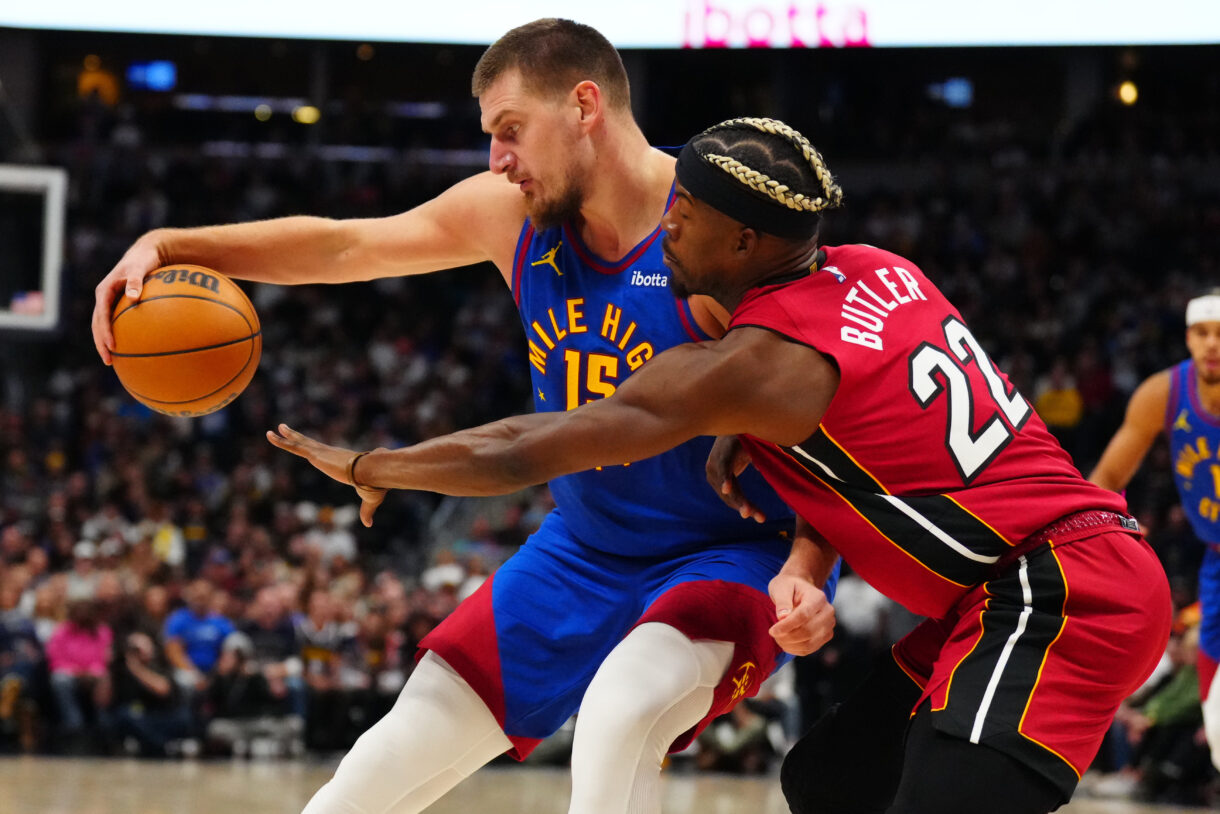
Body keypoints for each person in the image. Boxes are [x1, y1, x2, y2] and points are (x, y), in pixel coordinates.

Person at [268, 116, 1173, 814]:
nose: (667, 229)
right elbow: (886, 452)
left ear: (744, 244)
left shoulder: (760, 367)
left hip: (1060, 590)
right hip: (1000, 586)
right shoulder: (879, 268)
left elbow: (529, 444)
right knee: (828, 782)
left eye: (687, 217)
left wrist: (381, 464)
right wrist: (803, 541)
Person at [92, 19, 838, 814]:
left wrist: (808, 567)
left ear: (584, 105)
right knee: (371, 773)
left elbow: (832, 419)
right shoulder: (512, 215)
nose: (496, 159)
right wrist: (172, 246)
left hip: (731, 552)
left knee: (620, 714)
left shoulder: (714, 228)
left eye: (510, 130)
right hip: (583, 550)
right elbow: (348, 248)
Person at [1088, 289, 1220, 771]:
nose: (1212, 345)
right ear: (1187, 338)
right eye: (1203, 334)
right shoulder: (1162, 394)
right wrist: (1110, 532)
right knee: (1218, 723)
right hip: (1214, 560)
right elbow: (1104, 481)